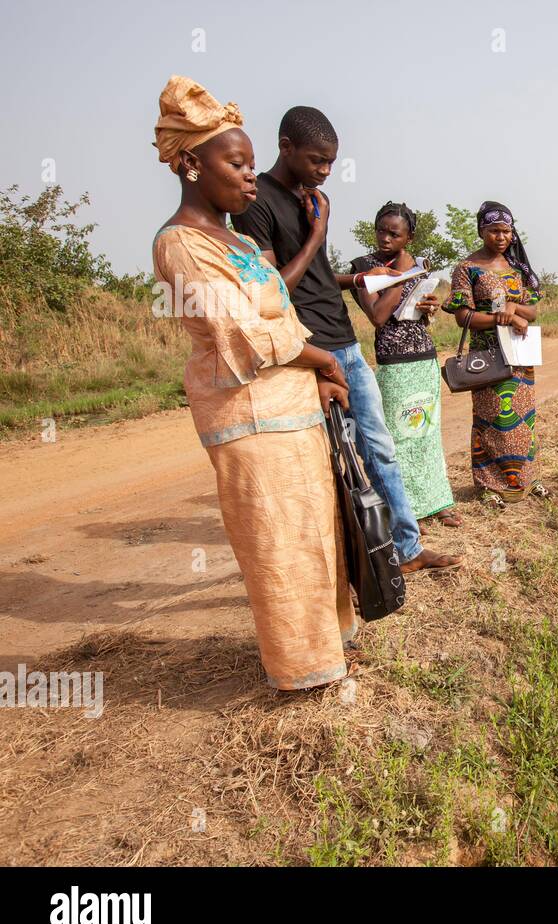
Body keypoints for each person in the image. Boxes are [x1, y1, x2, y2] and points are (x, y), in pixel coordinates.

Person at [151, 75, 354, 690]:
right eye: (235, 163)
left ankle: (330, 649)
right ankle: (301, 671)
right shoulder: (181, 246)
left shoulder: (236, 239)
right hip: (251, 420)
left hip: (294, 410)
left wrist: (314, 374)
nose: (249, 175)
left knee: (318, 533)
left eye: (250, 163)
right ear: (190, 164)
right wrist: (321, 360)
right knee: (278, 544)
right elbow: (243, 334)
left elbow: (283, 314)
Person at [231, 106, 461, 573]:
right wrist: (318, 233)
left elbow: (312, 275)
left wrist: (355, 281)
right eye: (317, 160)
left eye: (331, 163)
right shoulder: (256, 205)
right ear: (285, 147)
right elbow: (274, 288)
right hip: (308, 348)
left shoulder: (310, 197)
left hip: (345, 341)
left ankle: (407, 548)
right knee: (331, 462)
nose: (325, 171)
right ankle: (348, 564)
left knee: (379, 447)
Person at [348, 201, 460, 530]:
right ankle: (409, 507)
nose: (385, 238)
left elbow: (422, 318)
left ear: (408, 237)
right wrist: (402, 276)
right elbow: (378, 316)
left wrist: (428, 307)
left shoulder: (421, 265)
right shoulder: (365, 267)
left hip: (423, 355)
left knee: (427, 431)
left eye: (394, 234)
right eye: (381, 231)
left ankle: (438, 500)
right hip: (393, 361)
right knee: (399, 434)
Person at [442, 201, 550, 506]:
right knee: (492, 419)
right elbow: (463, 317)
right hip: (487, 358)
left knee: (523, 418)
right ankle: (489, 486)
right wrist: (502, 317)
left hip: (519, 356)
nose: (501, 237)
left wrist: (515, 310)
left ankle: (526, 480)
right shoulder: (467, 269)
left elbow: (533, 310)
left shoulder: (518, 269)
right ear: (481, 231)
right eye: (494, 231)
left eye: (506, 231)